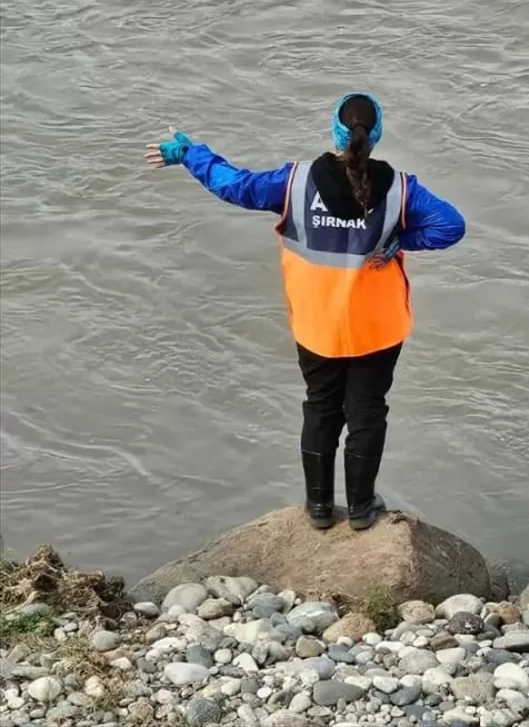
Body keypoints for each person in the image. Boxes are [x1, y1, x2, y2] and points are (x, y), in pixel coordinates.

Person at [144, 93, 465, 531]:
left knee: (320, 408)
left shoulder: (294, 184)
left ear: (335, 132)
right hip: (377, 328)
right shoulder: (402, 190)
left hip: (317, 326)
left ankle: (317, 508)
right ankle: (361, 508)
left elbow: (233, 185)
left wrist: (189, 154)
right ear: (376, 136)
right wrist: (400, 243)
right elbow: (451, 226)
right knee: (367, 412)